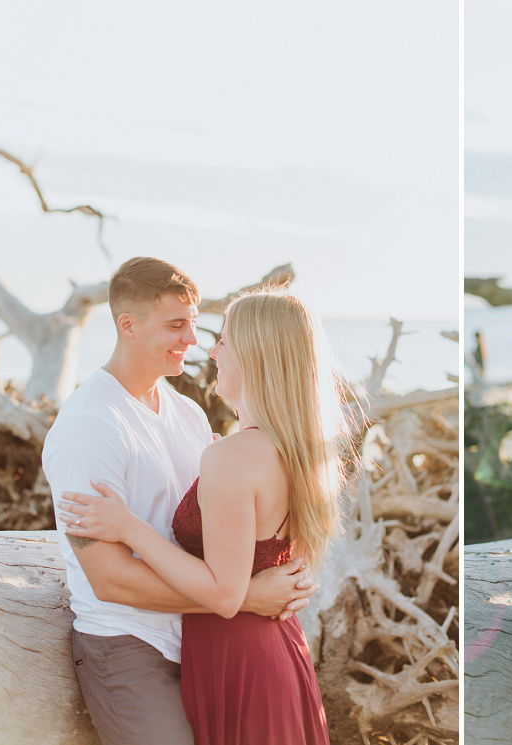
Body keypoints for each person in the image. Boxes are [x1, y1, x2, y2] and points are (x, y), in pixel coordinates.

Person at [42, 258, 318, 745]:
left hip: (200, 642)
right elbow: (108, 580)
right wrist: (248, 598)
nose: (193, 340)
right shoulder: (91, 425)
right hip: (130, 647)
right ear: (127, 324)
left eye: (194, 323)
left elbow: (231, 524)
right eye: (175, 325)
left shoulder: (187, 414)